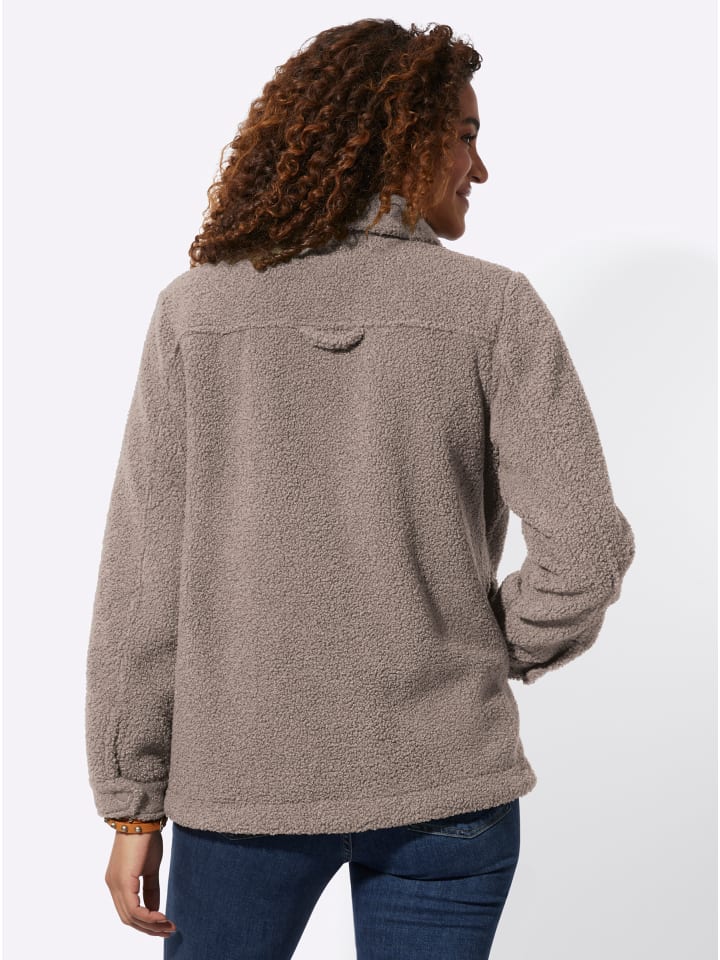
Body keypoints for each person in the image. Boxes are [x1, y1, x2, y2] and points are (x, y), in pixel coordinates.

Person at [85, 18, 635, 959]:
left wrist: (133, 801)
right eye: (464, 135)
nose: (481, 167)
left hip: (244, 788)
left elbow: (143, 584)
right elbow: (587, 549)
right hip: (447, 782)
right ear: (403, 139)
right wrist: (481, 648)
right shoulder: (493, 307)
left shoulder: (197, 310)